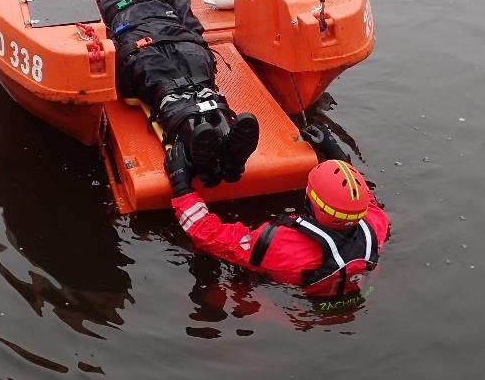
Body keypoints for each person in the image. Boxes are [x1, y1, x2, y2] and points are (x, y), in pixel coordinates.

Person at [165, 124, 390, 297]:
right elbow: (363, 198)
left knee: (225, 291)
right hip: (345, 296)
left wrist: (181, 186)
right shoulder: (377, 225)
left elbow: (208, 235)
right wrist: (334, 152)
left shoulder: (279, 245)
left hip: (286, 309)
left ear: (312, 201)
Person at [100, 0, 260, 185]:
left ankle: (227, 150)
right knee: (166, 86)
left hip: (177, 39)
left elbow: (186, 15)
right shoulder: (105, 5)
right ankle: (210, 145)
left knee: (200, 83)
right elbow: (101, 37)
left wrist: (194, 40)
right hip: (141, 45)